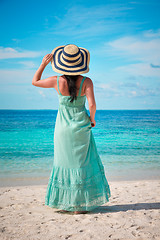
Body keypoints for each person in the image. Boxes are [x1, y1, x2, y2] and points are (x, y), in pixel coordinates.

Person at [32, 44, 111, 214]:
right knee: (82, 163)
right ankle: (79, 206)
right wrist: (92, 119)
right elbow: (92, 104)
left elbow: (35, 81)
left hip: (62, 129)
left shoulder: (56, 81)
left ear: (61, 64)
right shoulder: (86, 81)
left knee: (64, 163)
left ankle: (67, 203)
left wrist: (43, 65)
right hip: (82, 126)